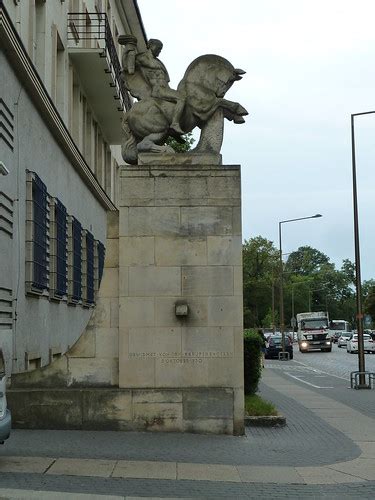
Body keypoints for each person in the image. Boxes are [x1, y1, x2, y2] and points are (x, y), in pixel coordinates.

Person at [134, 39, 185, 135]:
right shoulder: (142, 58)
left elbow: (165, 80)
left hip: (165, 88)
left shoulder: (158, 62)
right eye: (158, 48)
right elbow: (130, 64)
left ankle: (170, 125)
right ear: (151, 46)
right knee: (182, 98)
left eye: (160, 49)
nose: (159, 51)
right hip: (158, 90)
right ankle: (174, 124)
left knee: (180, 100)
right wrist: (129, 49)